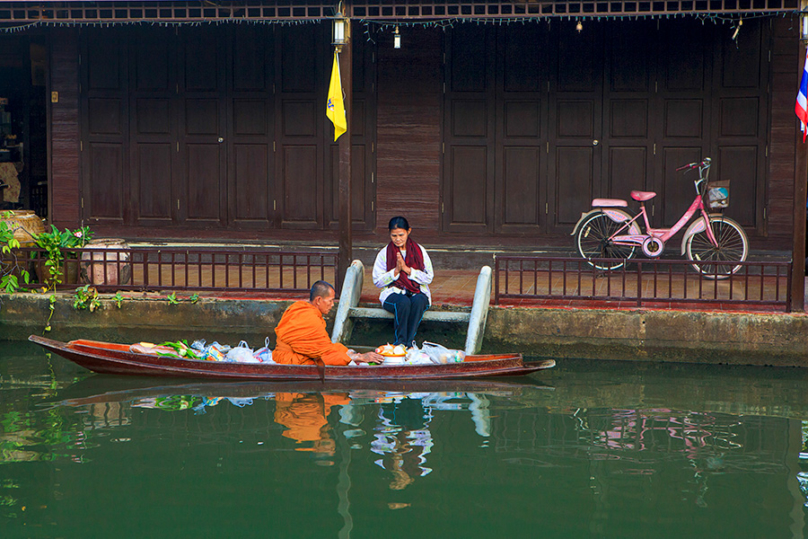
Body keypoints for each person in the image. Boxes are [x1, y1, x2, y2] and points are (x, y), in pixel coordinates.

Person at [273, 281, 383, 366]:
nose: (332, 305)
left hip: (285, 355)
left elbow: (323, 347)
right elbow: (322, 355)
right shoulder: (310, 318)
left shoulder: (297, 307)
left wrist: (347, 353)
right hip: (291, 360)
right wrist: (359, 358)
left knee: (340, 349)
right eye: (330, 301)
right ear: (318, 300)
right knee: (331, 358)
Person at [372, 216, 434, 347]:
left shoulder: (420, 251)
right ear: (389, 234)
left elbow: (429, 277)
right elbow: (377, 281)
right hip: (393, 292)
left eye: (401, 234)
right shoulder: (384, 253)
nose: (398, 239)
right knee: (403, 302)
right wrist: (395, 271)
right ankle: (400, 342)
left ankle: (409, 342)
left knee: (418, 301)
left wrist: (407, 270)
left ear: (409, 231)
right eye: (394, 235)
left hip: (417, 290)